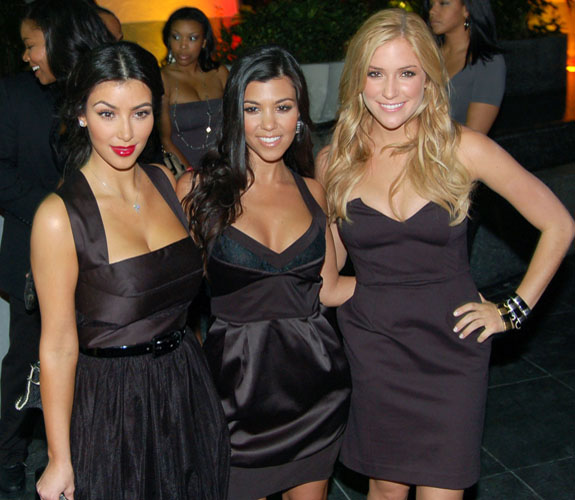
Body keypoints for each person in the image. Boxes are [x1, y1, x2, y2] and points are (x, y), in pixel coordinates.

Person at [318, 9, 574, 500]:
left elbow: (559, 223)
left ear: (429, 80)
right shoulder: (335, 161)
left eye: (407, 73)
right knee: (386, 489)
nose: (391, 91)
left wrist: (510, 311)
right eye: (376, 73)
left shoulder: (463, 149)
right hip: (374, 347)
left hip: (451, 346)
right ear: (358, 80)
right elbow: (328, 279)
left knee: (443, 492)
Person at [32, 41, 229, 500]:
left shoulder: (165, 180)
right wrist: (60, 459)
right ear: (81, 113)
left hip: (186, 387)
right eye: (107, 113)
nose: (125, 132)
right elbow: (58, 345)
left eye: (140, 113)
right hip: (113, 405)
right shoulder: (60, 216)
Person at [184, 45, 353, 500]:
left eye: (283, 107)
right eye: (252, 109)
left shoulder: (314, 191)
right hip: (233, 400)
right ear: (234, 114)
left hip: (316, 394)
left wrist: (420, 282)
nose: (269, 124)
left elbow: (333, 289)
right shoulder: (200, 191)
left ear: (300, 112)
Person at [0, 0, 114, 494]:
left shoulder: (104, 95)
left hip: (101, 259)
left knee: (90, 358)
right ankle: (7, 459)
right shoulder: (11, 94)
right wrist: (59, 213)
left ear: (60, 40)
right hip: (32, 259)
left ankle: (85, 453)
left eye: (31, 45)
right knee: (27, 358)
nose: (27, 56)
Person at [160, 7, 228, 171]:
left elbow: (238, 123)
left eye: (192, 38)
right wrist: (191, 176)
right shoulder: (162, 78)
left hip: (227, 166)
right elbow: (165, 140)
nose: (183, 46)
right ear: (168, 40)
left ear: (204, 41)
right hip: (186, 171)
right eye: (176, 37)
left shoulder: (220, 73)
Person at [426, 0, 505, 134]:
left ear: (466, 9)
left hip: (455, 152)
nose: (432, 11)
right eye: (431, 5)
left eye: (443, 3)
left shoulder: (488, 62)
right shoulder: (426, 55)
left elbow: (476, 134)